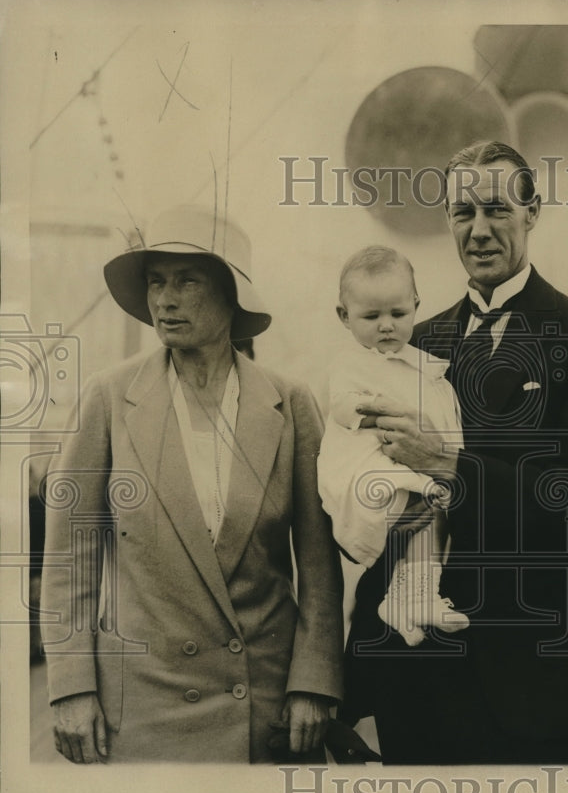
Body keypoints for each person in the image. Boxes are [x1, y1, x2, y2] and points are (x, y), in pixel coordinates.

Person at [341, 141, 568, 763]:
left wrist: (443, 463)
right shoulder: (417, 339)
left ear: (533, 212)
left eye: (497, 209)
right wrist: (356, 672)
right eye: (461, 213)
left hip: (531, 668)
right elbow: (378, 498)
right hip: (414, 666)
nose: (478, 230)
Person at [40, 205, 345, 763]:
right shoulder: (108, 397)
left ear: (232, 294)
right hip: (145, 708)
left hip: (265, 704)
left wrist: (314, 681)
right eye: (156, 282)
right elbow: (69, 559)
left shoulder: (289, 402)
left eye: (186, 281)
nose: (164, 299)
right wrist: (71, 685)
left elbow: (319, 565)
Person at [317, 245, 469, 646]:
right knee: (422, 507)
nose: (386, 326)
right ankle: (410, 595)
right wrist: (383, 415)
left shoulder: (416, 360)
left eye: (398, 314)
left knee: (432, 520)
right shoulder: (352, 361)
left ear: (416, 305)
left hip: (403, 464)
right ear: (344, 316)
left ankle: (412, 596)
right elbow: (343, 405)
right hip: (365, 462)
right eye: (372, 316)